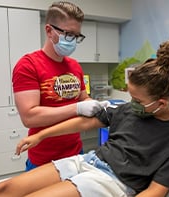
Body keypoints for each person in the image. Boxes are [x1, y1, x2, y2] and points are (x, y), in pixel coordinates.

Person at [0, 36, 169, 197]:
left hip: (112, 182)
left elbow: (157, 190)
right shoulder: (130, 110)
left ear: (161, 103)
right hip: (88, 160)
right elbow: (86, 121)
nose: (132, 105)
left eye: (138, 100)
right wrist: (40, 136)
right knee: (1, 190)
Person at [12, 1, 105, 171]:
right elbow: (29, 117)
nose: (73, 41)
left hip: (75, 153)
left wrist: (98, 105)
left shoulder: (75, 66)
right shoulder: (28, 65)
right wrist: (77, 108)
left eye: (77, 36)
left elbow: (84, 98)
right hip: (43, 158)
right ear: (49, 31)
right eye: (69, 34)